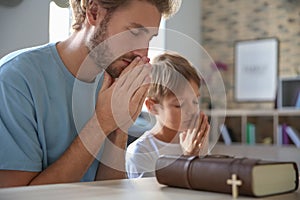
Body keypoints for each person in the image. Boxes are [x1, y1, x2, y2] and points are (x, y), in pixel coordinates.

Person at [0, 0, 181, 187]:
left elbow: (110, 191)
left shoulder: (114, 82)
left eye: (149, 38)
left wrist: (120, 129)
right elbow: (18, 195)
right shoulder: (14, 81)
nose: (142, 53)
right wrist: (102, 122)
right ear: (94, 12)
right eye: (134, 33)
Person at [126, 53, 210, 178]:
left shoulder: (194, 142)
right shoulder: (141, 152)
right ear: (152, 107)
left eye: (195, 101)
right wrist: (188, 158)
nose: (192, 110)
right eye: (179, 105)